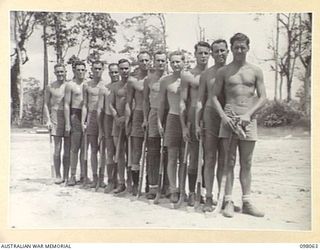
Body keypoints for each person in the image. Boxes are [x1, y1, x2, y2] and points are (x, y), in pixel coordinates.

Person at [212, 33, 267, 218]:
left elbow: (263, 97)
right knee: (228, 162)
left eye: (243, 47)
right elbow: (213, 97)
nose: (239, 51)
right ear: (231, 48)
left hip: (248, 121)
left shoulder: (256, 70)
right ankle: (228, 201)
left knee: (247, 162)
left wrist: (249, 114)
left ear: (248, 48)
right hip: (229, 119)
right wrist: (223, 117)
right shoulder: (224, 71)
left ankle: (247, 201)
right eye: (236, 47)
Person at [195, 39, 229, 212]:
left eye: (223, 50)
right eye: (216, 51)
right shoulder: (206, 74)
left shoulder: (232, 72)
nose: (220, 54)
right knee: (209, 159)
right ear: (212, 54)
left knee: (225, 160)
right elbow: (200, 100)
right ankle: (208, 197)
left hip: (228, 118)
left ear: (227, 51)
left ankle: (223, 198)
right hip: (210, 117)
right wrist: (196, 124)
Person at [180, 41, 211, 206]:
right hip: (193, 119)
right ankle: (191, 192)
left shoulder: (216, 74)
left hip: (211, 119)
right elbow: (182, 102)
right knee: (193, 158)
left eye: (206, 53)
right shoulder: (188, 75)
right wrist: (184, 125)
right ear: (196, 54)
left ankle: (205, 192)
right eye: (200, 53)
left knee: (209, 158)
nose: (203, 56)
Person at [158, 51, 185, 203]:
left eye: (178, 62)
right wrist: (159, 123)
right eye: (172, 62)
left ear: (183, 62)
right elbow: (162, 103)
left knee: (184, 158)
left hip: (187, 121)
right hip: (172, 118)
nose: (175, 64)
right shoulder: (165, 81)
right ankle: (173, 189)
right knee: (172, 157)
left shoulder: (188, 79)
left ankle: (182, 189)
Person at [142, 51, 167, 199]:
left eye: (163, 61)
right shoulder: (149, 79)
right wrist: (145, 118)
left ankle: (169, 186)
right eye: (158, 60)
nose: (160, 63)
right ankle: (153, 186)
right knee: (153, 151)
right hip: (153, 114)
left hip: (169, 114)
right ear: (154, 62)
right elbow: (145, 100)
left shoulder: (172, 78)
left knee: (169, 151)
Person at [126, 51, 151, 196]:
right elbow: (129, 103)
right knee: (136, 151)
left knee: (152, 151)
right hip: (138, 114)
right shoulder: (132, 80)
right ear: (138, 62)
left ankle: (149, 183)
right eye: (142, 60)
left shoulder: (155, 78)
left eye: (147, 60)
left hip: (152, 114)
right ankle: (136, 184)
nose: (145, 63)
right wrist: (128, 123)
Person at [44, 63, 70, 184]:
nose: (60, 74)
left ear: (65, 72)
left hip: (68, 117)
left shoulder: (69, 86)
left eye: (62, 71)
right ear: (55, 73)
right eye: (58, 72)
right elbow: (45, 104)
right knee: (57, 149)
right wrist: (48, 120)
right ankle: (58, 175)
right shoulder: (50, 87)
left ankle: (66, 175)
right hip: (55, 116)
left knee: (67, 149)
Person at [82, 60, 106, 188]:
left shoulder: (106, 84)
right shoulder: (87, 85)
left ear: (103, 69)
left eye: (99, 68)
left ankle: (102, 178)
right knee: (93, 150)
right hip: (91, 117)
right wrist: (83, 121)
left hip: (104, 117)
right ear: (91, 69)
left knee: (103, 150)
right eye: (95, 68)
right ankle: (95, 177)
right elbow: (85, 104)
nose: (97, 71)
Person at [64, 61, 88, 186]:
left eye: (82, 69)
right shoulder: (70, 85)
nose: (80, 72)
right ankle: (72, 175)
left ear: (85, 70)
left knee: (85, 147)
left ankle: (83, 175)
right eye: (78, 69)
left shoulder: (88, 84)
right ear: (74, 71)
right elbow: (66, 104)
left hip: (87, 115)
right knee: (75, 148)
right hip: (75, 115)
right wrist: (68, 123)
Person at [97, 63, 120, 193]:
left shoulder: (124, 86)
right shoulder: (104, 89)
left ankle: (122, 180)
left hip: (120, 120)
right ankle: (111, 180)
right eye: (112, 72)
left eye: (116, 72)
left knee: (121, 151)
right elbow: (100, 110)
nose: (115, 74)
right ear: (108, 73)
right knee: (110, 152)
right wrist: (100, 129)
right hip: (108, 119)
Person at [109, 59, 130, 194]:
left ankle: (132, 182)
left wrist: (127, 118)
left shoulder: (134, 83)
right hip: (117, 124)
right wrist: (117, 117)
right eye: (121, 68)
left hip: (131, 123)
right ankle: (121, 182)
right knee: (120, 153)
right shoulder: (115, 86)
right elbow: (110, 104)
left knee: (132, 154)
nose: (123, 71)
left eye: (126, 68)